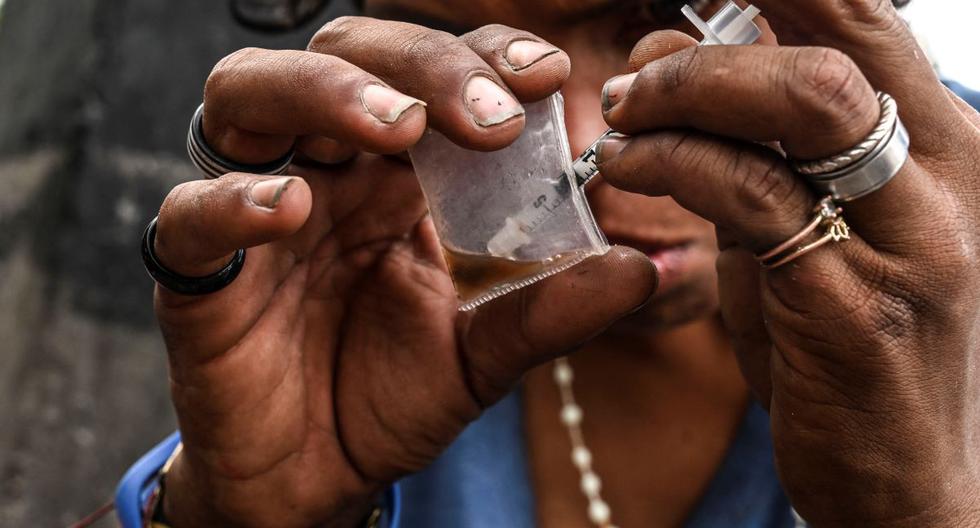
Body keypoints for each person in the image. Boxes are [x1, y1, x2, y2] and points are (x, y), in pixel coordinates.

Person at [117, 0, 980, 526]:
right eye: (452, 37)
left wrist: (925, 510)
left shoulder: (949, 226)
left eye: (649, 20)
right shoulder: (380, 292)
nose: (569, 143)